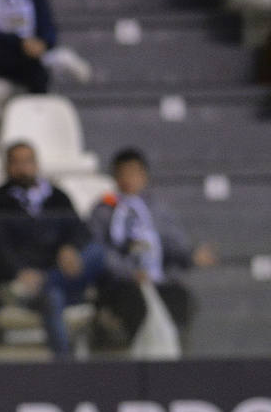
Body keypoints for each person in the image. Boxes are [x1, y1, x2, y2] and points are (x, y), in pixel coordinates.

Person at [0, 142, 103, 359]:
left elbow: (79, 230)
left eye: (27, 161)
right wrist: (19, 271)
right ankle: (64, 364)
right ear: (7, 167)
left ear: (36, 164)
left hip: (63, 273)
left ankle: (51, 281)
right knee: (52, 296)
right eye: (16, 162)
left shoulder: (57, 196)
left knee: (98, 251)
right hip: (24, 284)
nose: (22, 168)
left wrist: (70, 248)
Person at [88, 148, 215, 348]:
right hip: (122, 283)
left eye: (134, 173)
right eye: (123, 173)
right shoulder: (103, 210)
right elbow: (100, 252)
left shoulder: (158, 210)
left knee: (179, 299)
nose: (128, 179)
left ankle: (172, 355)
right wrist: (128, 272)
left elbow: (174, 243)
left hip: (159, 280)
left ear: (144, 176)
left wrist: (191, 255)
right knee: (134, 305)